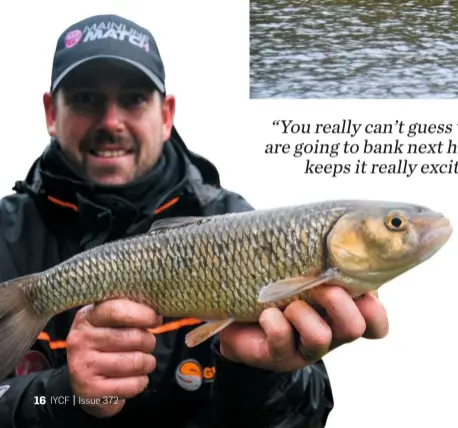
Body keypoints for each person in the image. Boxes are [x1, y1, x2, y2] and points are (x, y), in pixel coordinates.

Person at [0, 13, 389, 428]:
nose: (111, 122)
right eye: (85, 99)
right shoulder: (7, 237)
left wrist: (262, 375)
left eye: (133, 99)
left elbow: (307, 416)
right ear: (50, 113)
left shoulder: (234, 223)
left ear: (166, 114)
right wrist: (62, 397)